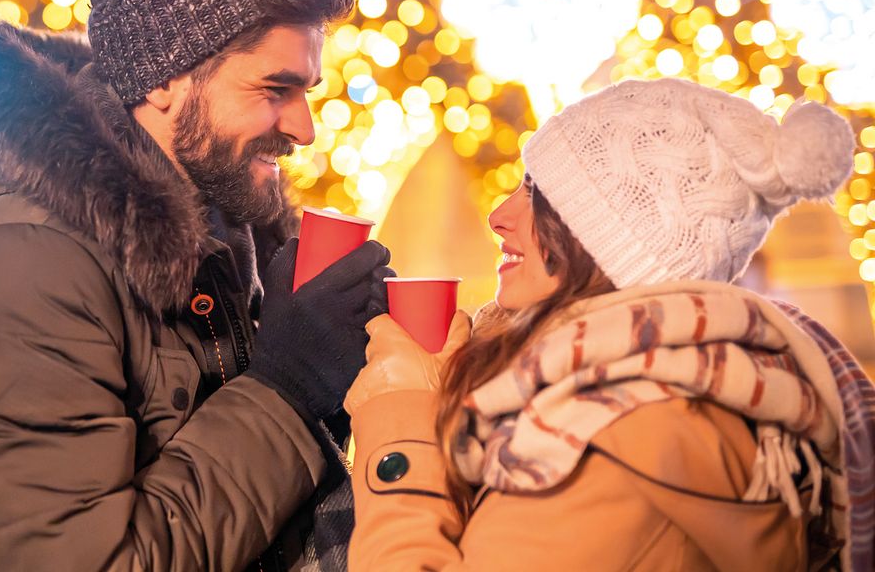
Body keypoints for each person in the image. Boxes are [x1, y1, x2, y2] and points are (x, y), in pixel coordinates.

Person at [0, 0, 390, 569]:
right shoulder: (12, 269)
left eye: (306, 92)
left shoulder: (227, 236)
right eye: (275, 89)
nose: (305, 129)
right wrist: (288, 390)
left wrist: (343, 378)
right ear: (164, 78)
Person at [343, 78, 874, 570]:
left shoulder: (611, 436)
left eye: (537, 194)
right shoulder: (639, 394)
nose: (499, 214)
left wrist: (402, 420)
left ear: (603, 243)